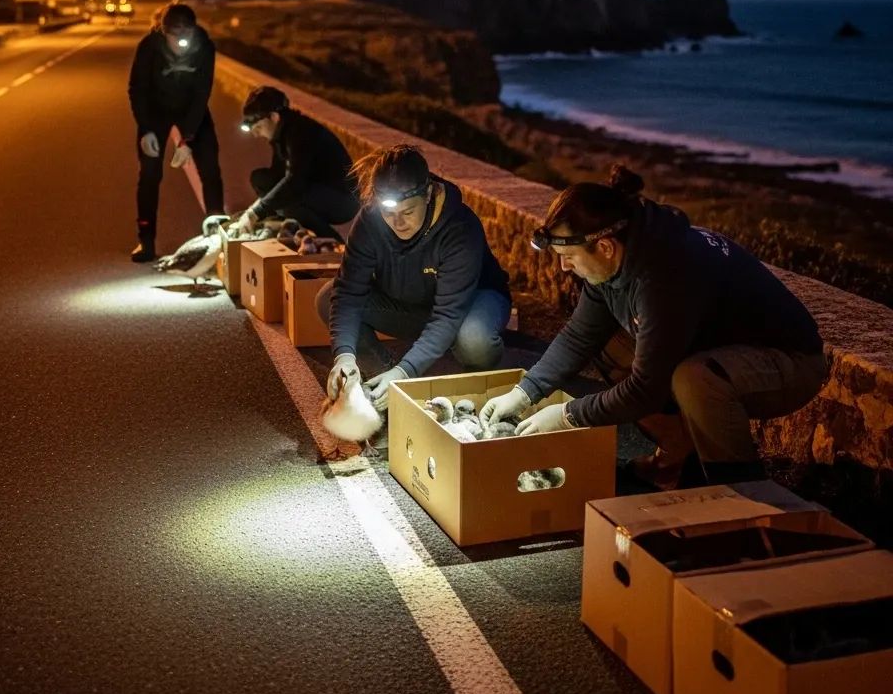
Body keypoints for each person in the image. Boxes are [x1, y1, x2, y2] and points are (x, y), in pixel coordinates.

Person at [479, 165, 826, 487]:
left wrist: (567, 415)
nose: (565, 267)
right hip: (712, 346)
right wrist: (525, 391)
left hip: (789, 361)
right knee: (606, 341)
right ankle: (678, 453)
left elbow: (646, 389)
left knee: (693, 378)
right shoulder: (617, 259)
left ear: (605, 246)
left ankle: (737, 492)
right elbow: (579, 335)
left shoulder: (664, 276)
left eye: (568, 257)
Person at [320, 144, 512, 409]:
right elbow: (348, 293)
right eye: (388, 213)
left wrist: (407, 369)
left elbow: (447, 314)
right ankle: (383, 383)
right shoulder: (369, 221)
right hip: (413, 306)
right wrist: (344, 356)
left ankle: (475, 384)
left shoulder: (460, 228)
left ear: (429, 193)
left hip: (466, 306)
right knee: (327, 297)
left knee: (475, 339)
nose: (398, 222)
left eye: (408, 212)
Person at [127, 2, 224, 261]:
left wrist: (188, 139)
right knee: (149, 174)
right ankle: (145, 241)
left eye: (187, 32)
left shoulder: (205, 46)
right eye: (174, 33)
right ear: (163, 30)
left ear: (194, 29)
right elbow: (137, 89)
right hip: (155, 111)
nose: (181, 39)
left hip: (192, 108)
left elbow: (202, 92)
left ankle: (218, 236)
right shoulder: (149, 47)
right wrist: (146, 129)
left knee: (210, 168)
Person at [222, 85, 359, 241]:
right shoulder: (281, 134)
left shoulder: (300, 132)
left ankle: (333, 242)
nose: (256, 134)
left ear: (274, 117)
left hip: (343, 199)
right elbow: (278, 177)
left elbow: (294, 181)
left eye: (258, 127)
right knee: (261, 179)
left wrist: (255, 212)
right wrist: (255, 209)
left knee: (290, 198)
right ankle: (283, 228)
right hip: (316, 189)